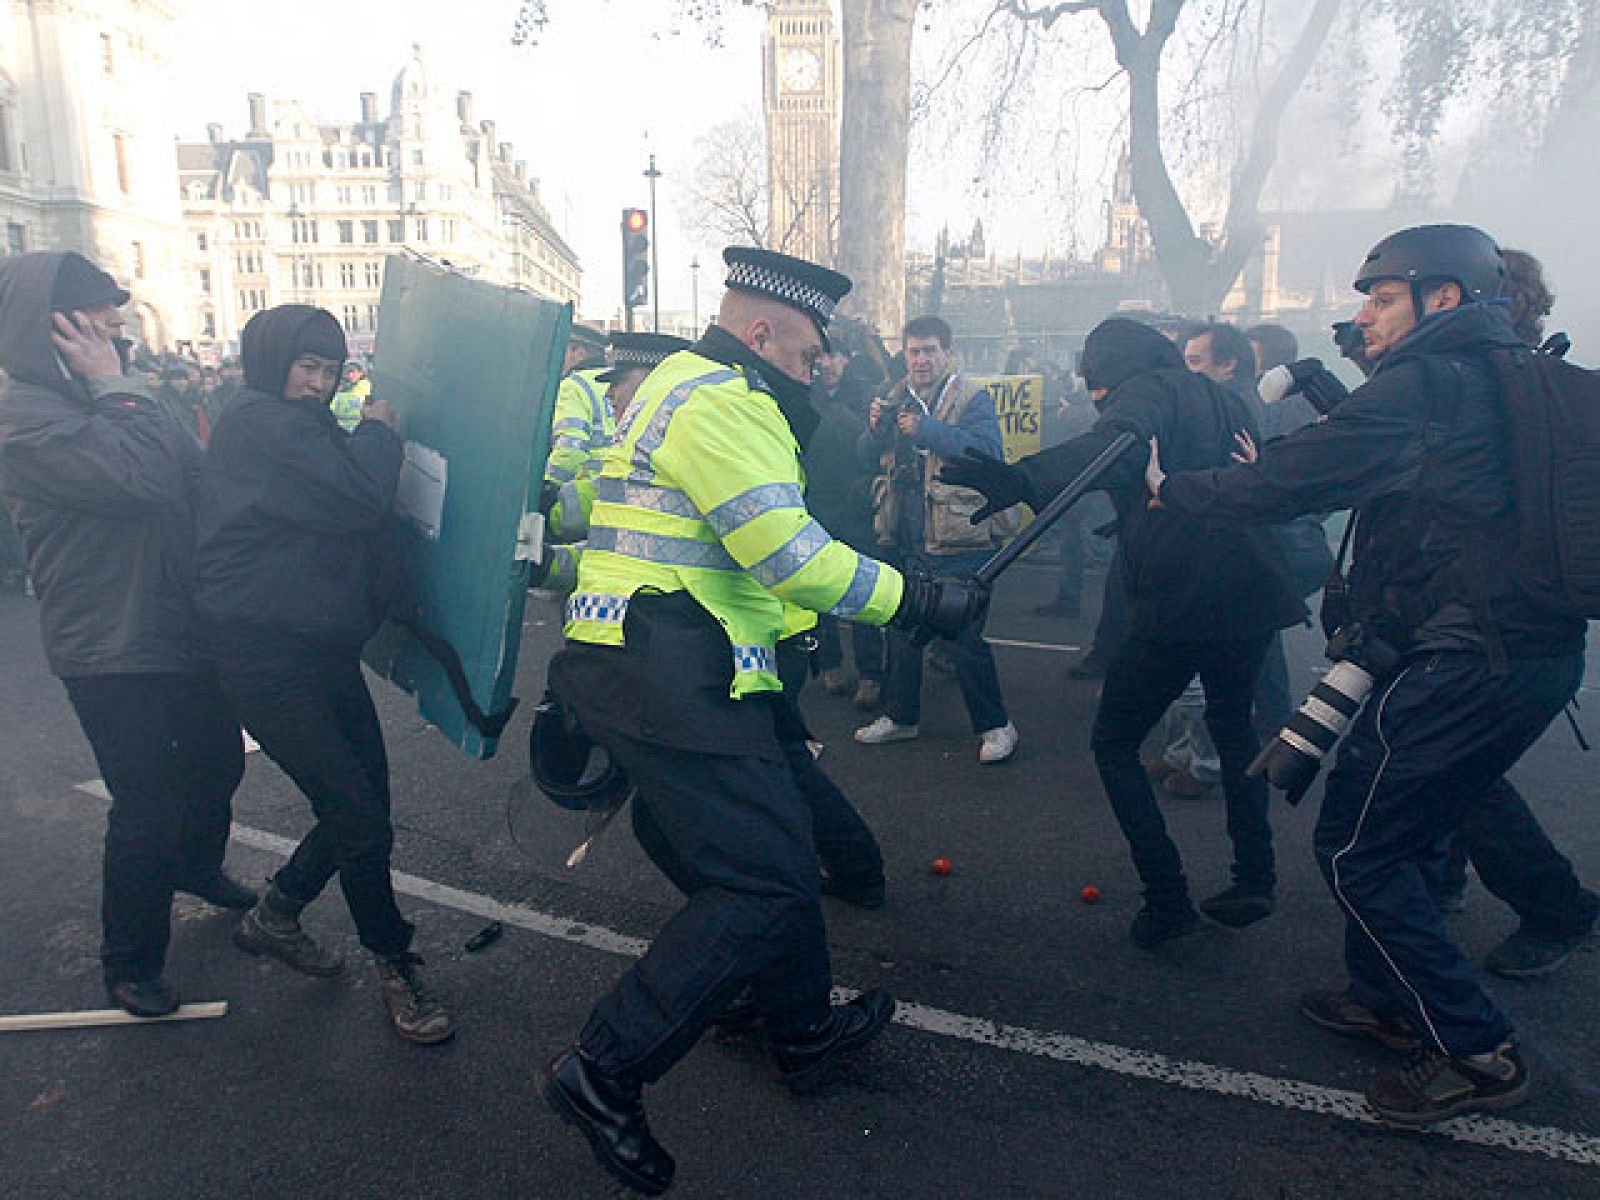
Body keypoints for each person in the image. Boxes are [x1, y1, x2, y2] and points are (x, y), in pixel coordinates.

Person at [539, 247, 983, 1195]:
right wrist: (920, 601)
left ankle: (799, 1031)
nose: (819, 368)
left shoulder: (678, 385)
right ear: (762, 332)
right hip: (668, 674)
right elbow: (789, 556)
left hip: (653, 666)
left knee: (763, 851)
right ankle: (603, 1070)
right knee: (767, 886)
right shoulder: (729, 403)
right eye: (813, 352)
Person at [1146, 224, 1588, 1124]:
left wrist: (1174, 490)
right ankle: (1386, 998)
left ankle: (1476, 1050)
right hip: (1518, 656)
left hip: (1468, 662)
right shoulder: (1506, 376)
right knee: (1394, 822)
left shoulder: (1433, 379)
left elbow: (1296, 478)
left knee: (1361, 848)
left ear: (1444, 299)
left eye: (1382, 298)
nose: (1364, 315)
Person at [942, 317, 1304, 946]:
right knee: (1234, 727)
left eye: (1096, 383)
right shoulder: (1219, 394)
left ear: (1116, 370)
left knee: (1114, 741)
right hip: (1246, 591)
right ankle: (1255, 875)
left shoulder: (1147, 391)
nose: (1095, 396)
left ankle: (1166, 895)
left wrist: (1023, 477)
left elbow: (1113, 444)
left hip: (1182, 595)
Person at [0, 251, 250, 1017]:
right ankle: (130, 960)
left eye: (116, 305)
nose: (116, 320)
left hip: (180, 623)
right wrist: (115, 384)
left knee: (216, 766)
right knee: (144, 805)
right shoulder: (21, 413)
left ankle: (196, 868)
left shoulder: (119, 395)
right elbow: (143, 480)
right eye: (99, 309)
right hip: (110, 643)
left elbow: (192, 469)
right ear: (51, 326)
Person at [195, 304, 453, 1046]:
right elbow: (359, 495)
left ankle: (275, 914)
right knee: (360, 815)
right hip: (264, 660)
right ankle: (394, 962)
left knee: (364, 805)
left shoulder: (303, 429)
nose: (317, 381)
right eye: (306, 366)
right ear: (271, 363)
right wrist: (380, 430)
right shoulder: (258, 425)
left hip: (317, 652)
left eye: (330, 369)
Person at [854, 315, 1018, 764]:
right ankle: (901, 716)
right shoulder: (895, 396)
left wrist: (928, 432)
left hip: (961, 538)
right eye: (913, 351)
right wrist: (872, 431)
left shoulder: (972, 397)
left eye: (929, 350)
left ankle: (997, 726)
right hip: (908, 535)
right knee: (904, 631)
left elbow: (987, 454)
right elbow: (864, 458)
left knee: (964, 639)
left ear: (948, 353)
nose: (921, 360)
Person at [544, 323, 613, 490]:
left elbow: (571, 447)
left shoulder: (573, 386)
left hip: (583, 491)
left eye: (565, 351)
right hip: (614, 488)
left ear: (579, 352)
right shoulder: (617, 382)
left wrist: (548, 485)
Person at [330, 360, 371, 433]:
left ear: (360, 372)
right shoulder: (344, 388)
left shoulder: (365, 385)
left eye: (353, 371)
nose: (350, 375)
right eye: (348, 372)